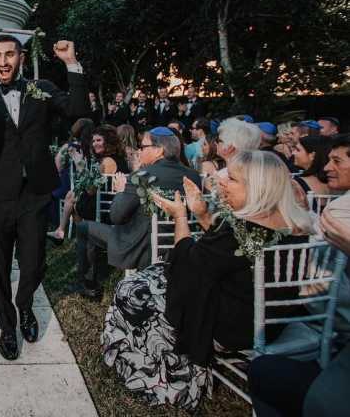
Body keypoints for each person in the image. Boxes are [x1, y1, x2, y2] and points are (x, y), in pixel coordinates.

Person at [102, 150, 312, 411]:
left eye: (233, 179)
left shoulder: (241, 228)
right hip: (271, 323)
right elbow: (227, 260)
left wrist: (181, 216)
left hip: (227, 328)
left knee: (132, 289)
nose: (222, 181)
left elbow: (187, 268)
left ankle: (153, 368)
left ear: (258, 188)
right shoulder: (297, 225)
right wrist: (201, 213)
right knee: (153, 275)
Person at [0, 36, 89, 361]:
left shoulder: (43, 87)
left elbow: (78, 110)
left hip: (35, 192)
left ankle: (25, 306)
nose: (3, 61)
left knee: (34, 264)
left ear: (20, 57)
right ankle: (8, 328)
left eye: (9, 54)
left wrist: (71, 64)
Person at [249, 135, 350, 417]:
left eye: (336, 160)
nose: (326, 166)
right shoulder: (338, 204)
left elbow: (313, 274)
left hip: (323, 314)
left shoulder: (340, 210)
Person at [72, 126, 201, 299]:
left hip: (141, 246)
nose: (140, 150)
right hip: (181, 243)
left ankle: (89, 285)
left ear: (159, 150)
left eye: (143, 147)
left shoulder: (142, 175)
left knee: (83, 227)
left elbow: (116, 216)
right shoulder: (193, 175)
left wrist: (121, 190)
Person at [48, 125, 128, 243]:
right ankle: (65, 233)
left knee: (76, 201)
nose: (95, 143)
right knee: (72, 195)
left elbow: (91, 190)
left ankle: (84, 239)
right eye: (94, 141)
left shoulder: (107, 162)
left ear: (109, 141)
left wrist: (80, 165)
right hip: (109, 201)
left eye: (99, 140)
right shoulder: (116, 158)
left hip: (106, 207)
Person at [291, 135, 332, 208]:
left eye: (298, 150)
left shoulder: (296, 184)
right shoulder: (335, 181)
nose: (293, 153)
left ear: (312, 155)